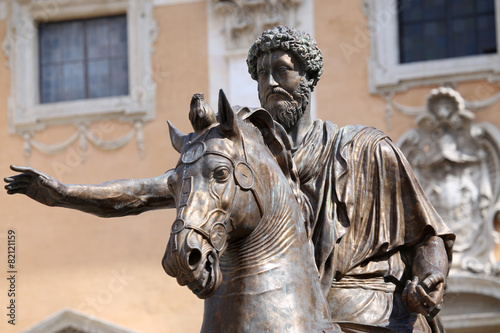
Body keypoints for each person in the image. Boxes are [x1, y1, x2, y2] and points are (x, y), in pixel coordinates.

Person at [5, 26, 453, 332]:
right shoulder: (242, 155)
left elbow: (427, 236)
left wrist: (429, 278)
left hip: (359, 312)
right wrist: (62, 193)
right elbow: (145, 192)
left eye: (283, 71)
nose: (271, 83)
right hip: (272, 306)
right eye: (261, 76)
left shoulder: (367, 149)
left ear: (309, 79)